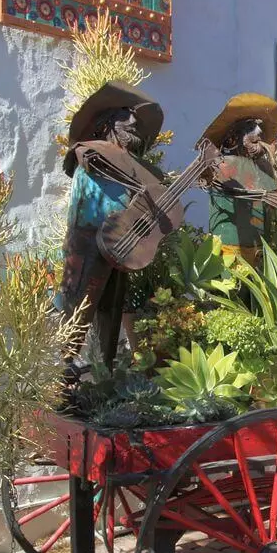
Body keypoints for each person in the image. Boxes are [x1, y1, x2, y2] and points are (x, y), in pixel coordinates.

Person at [58, 80, 168, 372]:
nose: (133, 130)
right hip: (88, 242)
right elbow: (78, 157)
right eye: (127, 125)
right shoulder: (90, 152)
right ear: (110, 124)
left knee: (111, 309)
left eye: (135, 129)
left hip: (121, 245)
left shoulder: (133, 166)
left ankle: (103, 371)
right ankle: (60, 369)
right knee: (78, 307)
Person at [199, 93, 277, 266]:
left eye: (260, 139)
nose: (260, 143)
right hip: (229, 245)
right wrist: (263, 196)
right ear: (235, 137)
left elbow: (275, 200)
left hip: (261, 248)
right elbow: (224, 189)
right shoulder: (221, 164)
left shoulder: (264, 167)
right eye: (253, 137)